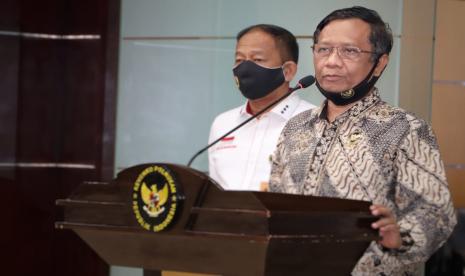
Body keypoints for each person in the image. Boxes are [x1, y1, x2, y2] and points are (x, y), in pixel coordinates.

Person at [269, 6, 456, 275]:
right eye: (323, 49)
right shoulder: (296, 126)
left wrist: (401, 235)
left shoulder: (406, 128)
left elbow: (437, 213)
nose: (332, 61)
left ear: (380, 62)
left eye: (350, 51)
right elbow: (275, 203)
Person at [208, 24, 315, 191]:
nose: (244, 68)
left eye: (257, 59)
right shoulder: (223, 124)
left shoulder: (316, 121)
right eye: (239, 60)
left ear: (288, 71)